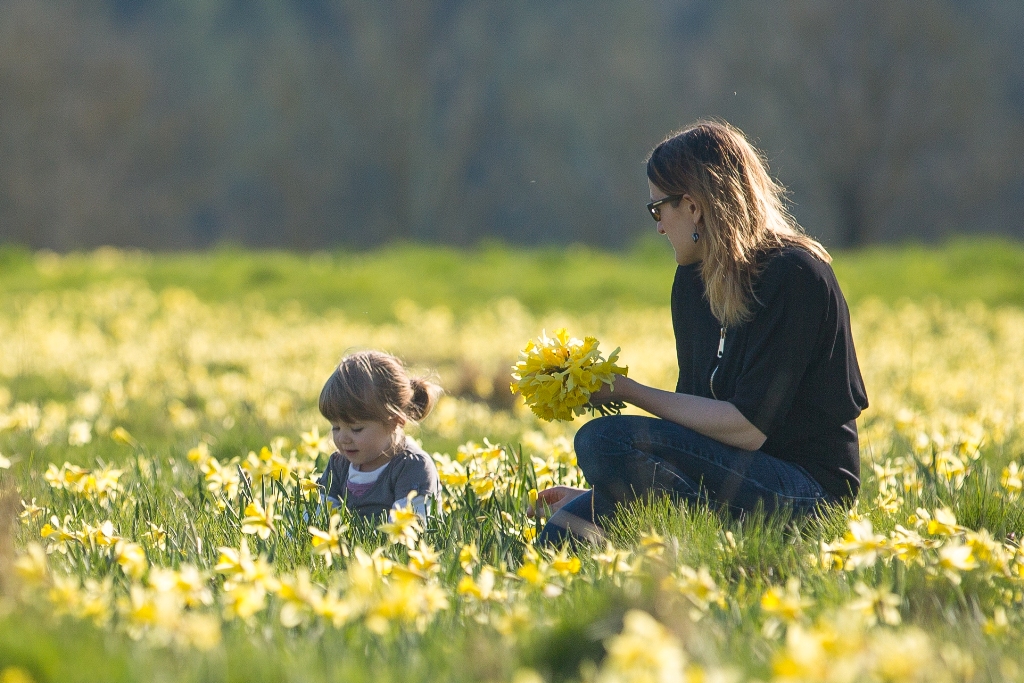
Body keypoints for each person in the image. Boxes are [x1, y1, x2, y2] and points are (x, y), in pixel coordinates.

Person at [536, 120, 868, 544]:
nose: (657, 225)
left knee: (602, 440)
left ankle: (675, 531)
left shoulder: (794, 276)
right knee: (562, 535)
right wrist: (613, 490)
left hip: (808, 494)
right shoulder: (693, 284)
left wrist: (628, 390)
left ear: (693, 206)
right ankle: (651, 520)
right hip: (734, 478)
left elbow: (748, 429)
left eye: (659, 209)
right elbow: (694, 428)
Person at [317, 350, 442, 519]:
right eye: (336, 427)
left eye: (356, 429)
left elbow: (407, 531)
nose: (342, 439)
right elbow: (318, 519)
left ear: (395, 421)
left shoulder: (412, 467)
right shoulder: (339, 465)